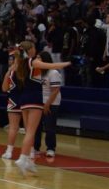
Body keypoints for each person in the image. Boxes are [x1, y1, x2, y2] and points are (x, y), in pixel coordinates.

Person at [6, 41, 70, 175]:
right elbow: (50, 65)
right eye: (34, 48)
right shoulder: (32, 62)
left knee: (29, 131)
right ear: (30, 50)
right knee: (31, 132)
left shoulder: (20, 63)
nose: (36, 50)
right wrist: (65, 64)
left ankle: (29, 160)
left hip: (23, 99)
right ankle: (23, 158)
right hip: (34, 99)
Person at [34, 51, 63, 159]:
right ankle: (35, 147)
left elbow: (55, 91)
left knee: (49, 127)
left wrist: (47, 105)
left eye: (39, 58)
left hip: (52, 102)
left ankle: (50, 148)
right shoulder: (37, 72)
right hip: (39, 102)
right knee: (36, 126)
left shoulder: (53, 72)